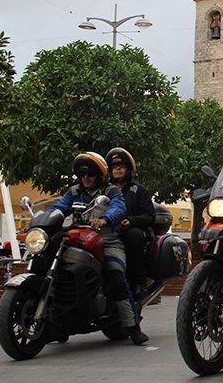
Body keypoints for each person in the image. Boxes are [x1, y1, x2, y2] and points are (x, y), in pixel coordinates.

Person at [49, 152, 148, 345]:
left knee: (116, 275)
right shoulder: (74, 191)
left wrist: (105, 219)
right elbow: (59, 207)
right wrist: (44, 219)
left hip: (107, 240)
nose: (86, 177)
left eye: (90, 173)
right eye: (82, 173)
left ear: (99, 175)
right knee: (54, 268)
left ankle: (132, 326)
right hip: (76, 239)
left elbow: (118, 208)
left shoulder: (111, 191)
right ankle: (56, 323)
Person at [106, 147, 155, 299]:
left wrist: (131, 221)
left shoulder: (138, 190)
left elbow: (149, 216)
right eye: (114, 166)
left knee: (134, 236)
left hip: (130, 230)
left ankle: (138, 282)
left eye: (122, 165)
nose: (118, 168)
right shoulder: (104, 190)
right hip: (107, 230)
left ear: (129, 169)